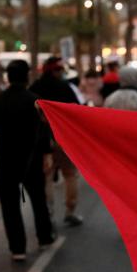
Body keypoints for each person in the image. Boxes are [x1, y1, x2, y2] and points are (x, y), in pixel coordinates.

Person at [0, 60, 55, 261]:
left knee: (10, 205)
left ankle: (17, 248)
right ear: (27, 76)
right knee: (38, 200)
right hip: (31, 160)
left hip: (6, 161)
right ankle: (44, 237)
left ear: (7, 77)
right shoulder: (36, 101)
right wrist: (46, 154)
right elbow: (44, 130)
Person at [29, 57, 83, 227]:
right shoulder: (64, 87)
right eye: (60, 70)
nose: (62, 73)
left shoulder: (35, 88)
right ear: (54, 70)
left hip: (41, 141)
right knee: (70, 174)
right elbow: (76, 110)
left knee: (46, 177)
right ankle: (70, 211)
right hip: (63, 138)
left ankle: (48, 214)